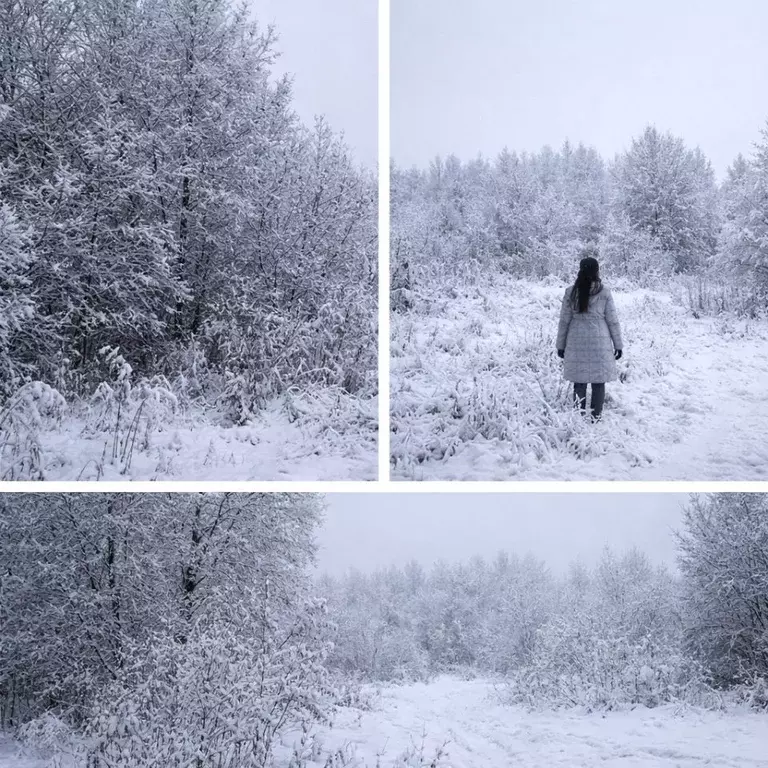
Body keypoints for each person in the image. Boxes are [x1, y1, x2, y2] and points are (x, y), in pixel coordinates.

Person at [556, 254, 623, 421]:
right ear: (597, 271)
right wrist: (618, 345)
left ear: (580, 271)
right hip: (600, 341)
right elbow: (613, 320)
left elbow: (564, 321)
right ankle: (595, 417)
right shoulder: (605, 292)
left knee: (579, 380)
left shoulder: (571, 292)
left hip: (576, 340)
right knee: (599, 381)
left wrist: (560, 345)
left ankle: (578, 417)